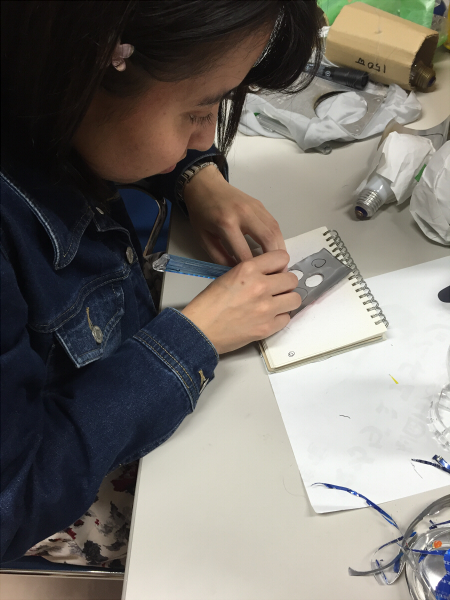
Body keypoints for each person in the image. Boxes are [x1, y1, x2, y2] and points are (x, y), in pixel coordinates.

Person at [0, 0, 321, 566]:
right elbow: (15, 493)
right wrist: (192, 338)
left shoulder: (38, 84)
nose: (205, 136)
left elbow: (129, 124)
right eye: (198, 111)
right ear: (86, 71)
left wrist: (197, 177)